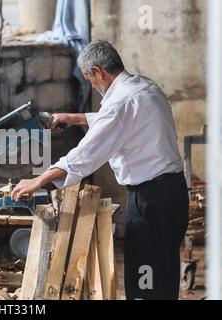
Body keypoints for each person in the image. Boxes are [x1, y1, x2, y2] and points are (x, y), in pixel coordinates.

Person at [11, 40, 189, 300]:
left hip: (150, 201)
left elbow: (84, 157)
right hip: (173, 194)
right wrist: (76, 118)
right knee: (164, 274)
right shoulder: (145, 86)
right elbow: (124, 120)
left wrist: (38, 181)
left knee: (146, 281)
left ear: (98, 71)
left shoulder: (118, 105)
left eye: (90, 79)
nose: (92, 86)